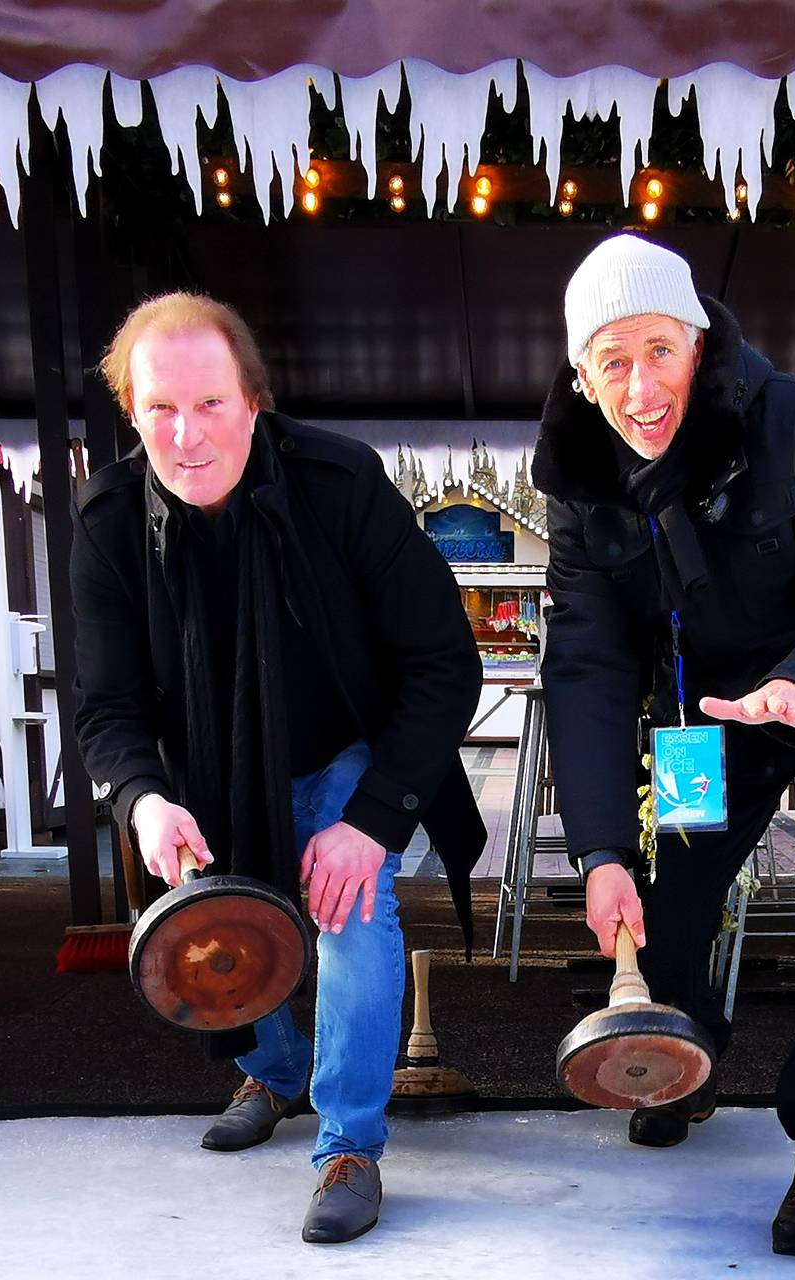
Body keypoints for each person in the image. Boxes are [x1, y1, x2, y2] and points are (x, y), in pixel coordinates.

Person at [533, 234, 795, 1258]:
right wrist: (598, 854)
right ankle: (684, 1048)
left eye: (658, 351)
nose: (639, 386)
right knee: (667, 887)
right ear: (580, 377)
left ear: (699, 345)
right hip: (704, 714)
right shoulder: (581, 484)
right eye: (610, 361)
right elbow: (585, 667)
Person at [66, 291, 484, 1245]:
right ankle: (279, 1067)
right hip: (208, 764)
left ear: (253, 400)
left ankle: (347, 1144)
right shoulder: (107, 523)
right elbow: (109, 707)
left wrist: (373, 818)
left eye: (209, 403)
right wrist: (141, 800)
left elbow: (440, 662)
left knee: (349, 907)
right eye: (159, 408)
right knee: (213, 916)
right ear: (132, 412)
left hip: (350, 745)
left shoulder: (341, 487)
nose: (186, 434)